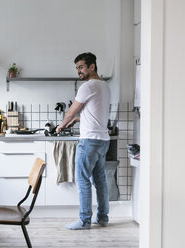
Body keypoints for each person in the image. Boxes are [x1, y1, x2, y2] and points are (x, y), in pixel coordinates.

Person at [56, 52, 111, 230]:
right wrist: (77, 120)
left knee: (82, 179)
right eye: (77, 68)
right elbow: (95, 113)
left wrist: (61, 125)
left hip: (89, 141)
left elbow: (71, 110)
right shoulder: (104, 86)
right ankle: (102, 217)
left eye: (81, 67)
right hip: (103, 140)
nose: (78, 71)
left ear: (92, 67)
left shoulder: (87, 87)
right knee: (100, 180)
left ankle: (85, 220)